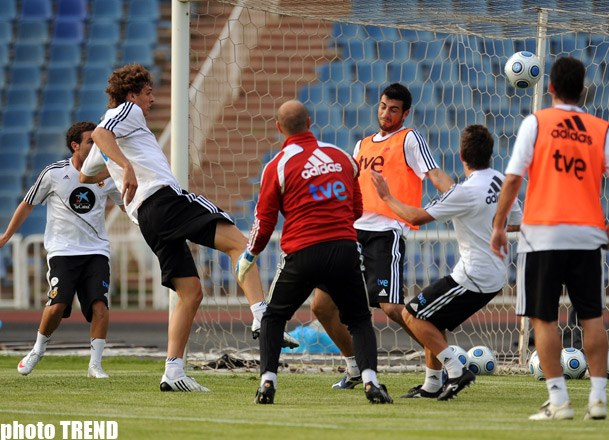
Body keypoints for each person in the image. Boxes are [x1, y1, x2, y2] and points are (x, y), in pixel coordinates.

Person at [79, 64, 296, 393]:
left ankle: (173, 371)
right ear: (131, 95)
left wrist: (120, 165)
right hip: (165, 201)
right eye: (148, 93)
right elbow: (98, 133)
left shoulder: (121, 134)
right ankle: (262, 316)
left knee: (190, 292)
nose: (152, 100)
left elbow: (85, 174)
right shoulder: (127, 111)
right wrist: (125, 167)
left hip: (146, 219)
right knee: (241, 244)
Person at [490, 56, 609, 420]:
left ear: (549, 87)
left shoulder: (536, 122)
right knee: (592, 317)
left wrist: (499, 224)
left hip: (542, 234)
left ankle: (559, 401)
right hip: (586, 234)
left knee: (544, 319)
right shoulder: (600, 128)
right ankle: (598, 401)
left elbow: (512, 178)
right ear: (583, 90)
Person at [236, 99, 392, 404]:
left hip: (303, 252)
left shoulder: (277, 165)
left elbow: (264, 221)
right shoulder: (343, 157)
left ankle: (267, 383)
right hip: (345, 249)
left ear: (279, 128)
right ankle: (371, 382)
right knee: (359, 319)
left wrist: (249, 255)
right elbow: (357, 208)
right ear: (310, 123)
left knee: (273, 317)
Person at [311, 82, 453, 390]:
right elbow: (348, 187)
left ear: (405, 113)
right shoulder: (362, 145)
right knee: (321, 306)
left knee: (390, 307)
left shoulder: (409, 138)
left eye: (393, 109)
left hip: (385, 232)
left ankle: (440, 357)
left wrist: (459, 196)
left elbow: (434, 173)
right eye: (382, 106)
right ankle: (353, 368)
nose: (386, 113)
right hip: (350, 232)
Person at [371, 124, 522, 400]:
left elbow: (415, 217)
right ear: (490, 154)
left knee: (411, 314)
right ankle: (431, 385)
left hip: (473, 276)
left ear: (461, 155)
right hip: (496, 273)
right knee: (431, 318)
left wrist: (386, 197)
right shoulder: (499, 180)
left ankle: (455, 371)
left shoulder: (463, 192)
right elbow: (515, 223)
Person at [0, 121, 123, 379]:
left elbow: (127, 206)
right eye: (91, 142)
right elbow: (27, 203)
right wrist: (7, 235)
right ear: (75, 146)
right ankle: (38, 349)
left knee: (100, 306)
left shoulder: (107, 174)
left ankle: (95, 365)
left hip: (96, 251)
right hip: (63, 251)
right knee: (57, 306)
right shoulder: (54, 173)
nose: (96, 146)